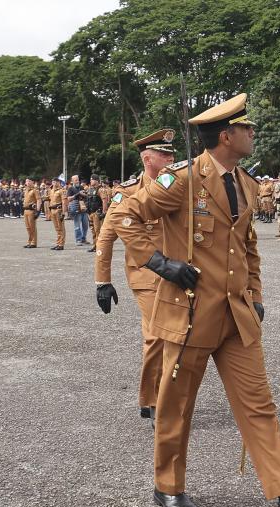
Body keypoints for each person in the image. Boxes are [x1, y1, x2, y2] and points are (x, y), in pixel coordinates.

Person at [108, 93, 280, 507]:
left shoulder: (247, 183)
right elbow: (125, 215)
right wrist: (158, 262)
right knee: (176, 407)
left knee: (259, 405)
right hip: (190, 314)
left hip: (236, 316)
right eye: (247, 128)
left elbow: (248, 248)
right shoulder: (181, 180)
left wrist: (256, 295)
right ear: (226, 135)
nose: (253, 133)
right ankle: (168, 486)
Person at [95, 129, 176, 421]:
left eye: (172, 154)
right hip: (146, 277)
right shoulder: (127, 193)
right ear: (147, 158)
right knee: (157, 336)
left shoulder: (176, 186)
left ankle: (155, 397)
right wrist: (102, 280)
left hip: (179, 273)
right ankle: (156, 403)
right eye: (164, 154)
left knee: (177, 338)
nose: (171, 158)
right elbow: (106, 237)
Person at [67, 175, 89, 246]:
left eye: (78, 179)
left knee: (85, 225)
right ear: (72, 181)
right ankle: (78, 240)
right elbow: (69, 199)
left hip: (83, 208)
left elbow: (85, 196)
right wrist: (78, 194)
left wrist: (85, 194)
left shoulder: (81, 187)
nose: (77, 181)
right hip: (76, 208)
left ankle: (83, 239)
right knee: (77, 226)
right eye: (75, 180)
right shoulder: (70, 189)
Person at [23, 178, 41, 248]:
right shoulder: (26, 190)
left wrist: (38, 211)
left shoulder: (35, 190)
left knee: (32, 227)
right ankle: (30, 242)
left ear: (32, 182)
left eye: (28, 181)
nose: (27, 182)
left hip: (31, 211)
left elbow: (39, 200)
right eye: (26, 181)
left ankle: (34, 242)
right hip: (25, 210)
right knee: (28, 227)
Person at [49, 178, 66, 250]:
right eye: (53, 182)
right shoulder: (51, 190)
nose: (54, 183)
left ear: (59, 182)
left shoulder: (62, 191)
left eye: (55, 182)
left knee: (61, 228)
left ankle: (61, 244)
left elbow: (64, 202)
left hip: (58, 210)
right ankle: (58, 243)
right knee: (57, 228)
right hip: (52, 210)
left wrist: (63, 213)